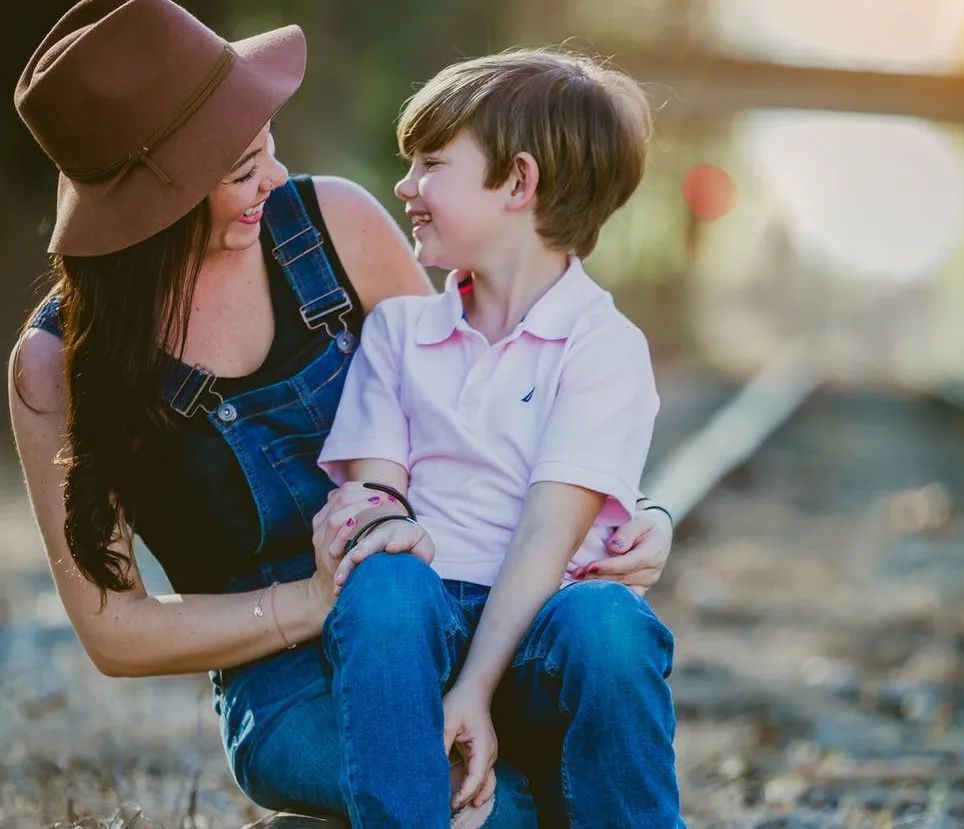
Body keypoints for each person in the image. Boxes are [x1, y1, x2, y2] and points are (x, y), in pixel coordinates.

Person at [8, 2, 677, 826]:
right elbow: (113, 631)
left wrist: (628, 511)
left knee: (570, 680)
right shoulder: (57, 368)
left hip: (434, 623)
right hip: (289, 680)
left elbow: (475, 409)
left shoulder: (336, 229)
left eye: (270, 148)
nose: (276, 178)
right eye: (242, 167)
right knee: (500, 810)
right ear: (161, 199)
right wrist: (315, 598)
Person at [314, 50, 684, 828]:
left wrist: (477, 687)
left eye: (431, 163)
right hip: (420, 630)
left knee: (610, 622)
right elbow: (382, 508)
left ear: (518, 182)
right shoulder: (401, 330)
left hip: (538, 636)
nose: (405, 186)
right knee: (383, 579)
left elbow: (551, 533)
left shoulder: (601, 345)